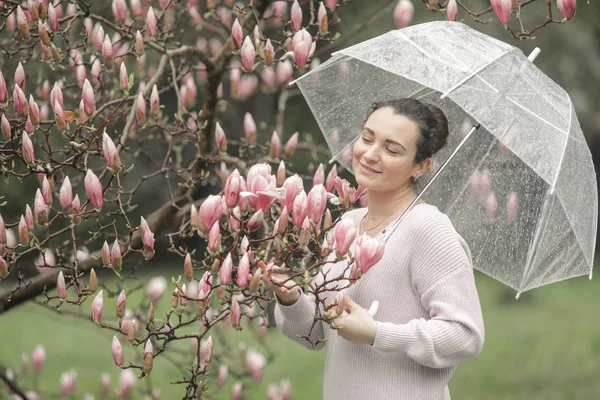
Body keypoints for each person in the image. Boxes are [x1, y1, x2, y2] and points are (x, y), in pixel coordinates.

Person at [266, 98, 484, 400]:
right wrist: (291, 298)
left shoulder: (428, 230)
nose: (370, 154)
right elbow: (315, 335)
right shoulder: (348, 224)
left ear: (421, 166)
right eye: (367, 138)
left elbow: (465, 336)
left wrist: (378, 334)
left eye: (391, 149)